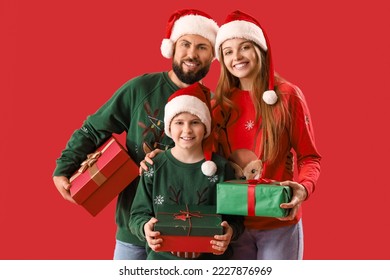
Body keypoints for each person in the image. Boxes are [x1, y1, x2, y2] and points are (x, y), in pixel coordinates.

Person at [52, 9, 219, 260]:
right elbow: (94, 128)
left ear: (212, 56)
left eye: (202, 47)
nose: (192, 54)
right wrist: (64, 168)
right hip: (133, 233)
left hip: (185, 242)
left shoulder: (215, 106)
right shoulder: (141, 89)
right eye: (185, 44)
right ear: (172, 47)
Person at [212, 10, 322, 259]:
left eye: (245, 47)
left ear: (260, 50)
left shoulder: (287, 96)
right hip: (233, 227)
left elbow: (310, 157)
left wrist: (303, 188)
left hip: (278, 224)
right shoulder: (219, 105)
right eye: (227, 51)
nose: (236, 57)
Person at [129, 82, 243, 260]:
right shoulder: (154, 166)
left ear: (205, 126)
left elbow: (236, 220)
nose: (187, 130)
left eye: (195, 122)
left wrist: (231, 232)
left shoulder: (221, 168)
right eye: (179, 122)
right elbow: (137, 215)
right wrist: (145, 227)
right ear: (169, 127)